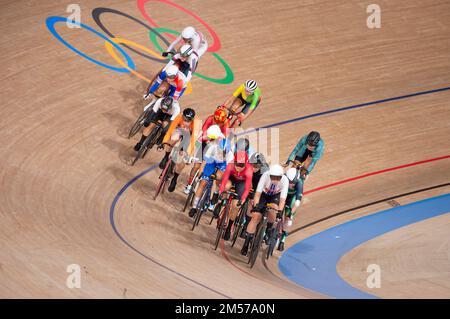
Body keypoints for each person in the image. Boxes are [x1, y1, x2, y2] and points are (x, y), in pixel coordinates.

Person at [240, 164, 289, 256]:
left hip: (275, 196)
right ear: (269, 175)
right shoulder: (265, 175)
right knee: (255, 217)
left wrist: (280, 211)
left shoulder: (285, 180)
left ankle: (268, 229)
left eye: (277, 178)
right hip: (263, 194)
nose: (275, 180)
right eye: (273, 177)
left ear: (281, 177)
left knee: (273, 210)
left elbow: (282, 199)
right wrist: (256, 206)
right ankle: (246, 244)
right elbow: (257, 194)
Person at [188, 125, 234, 218]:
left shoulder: (229, 153)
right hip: (211, 162)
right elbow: (204, 162)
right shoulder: (212, 146)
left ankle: (216, 193)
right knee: (202, 183)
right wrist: (201, 173)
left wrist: (222, 184)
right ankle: (194, 207)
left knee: (219, 176)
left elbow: (229, 169)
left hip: (222, 164)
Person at [184, 107, 231, 195]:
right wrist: (191, 154)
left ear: (224, 121)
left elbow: (225, 140)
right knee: (196, 165)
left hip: (216, 144)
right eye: (216, 121)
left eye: (220, 122)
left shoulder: (226, 124)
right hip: (206, 140)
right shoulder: (210, 119)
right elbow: (199, 139)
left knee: (208, 165)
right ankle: (189, 184)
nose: (217, 123)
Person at [158, 108, 199, 193]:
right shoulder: (179, 117)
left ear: (192, 119)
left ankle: (175, 178)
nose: (186, 121)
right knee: (172, 139)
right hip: (179, 131)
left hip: (189, 137)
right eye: (184, 119)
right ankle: (166, 157)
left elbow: (193, 140)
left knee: (182, 160)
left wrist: (187, 153)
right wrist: (165, 142)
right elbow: (169, 132)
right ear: (182, 116)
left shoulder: (197, 123)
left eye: (188, 120)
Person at [218, 151, 254, 241]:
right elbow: (224, 180)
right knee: (226, 186)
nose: (238, 167)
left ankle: (229, 227)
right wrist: (221, 192)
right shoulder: (230, 165)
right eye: (237, 164)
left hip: (242, 183)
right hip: (231, 178)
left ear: (246, 163)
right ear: (234, 161)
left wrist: (243, 199)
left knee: (235, 206)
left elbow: (247, 188)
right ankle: (221, 203)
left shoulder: (249, 170)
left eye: (241, 165)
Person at [239, 152, 269, 238]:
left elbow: (264, 186)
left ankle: (246, 225)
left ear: (261, 166)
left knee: (251, 202)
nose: (254, 168)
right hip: (250, 181)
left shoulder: (265, 170)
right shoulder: (247, 165)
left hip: (260, 185)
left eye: (256, 167)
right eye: (252, 165)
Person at [278, 167, 304, 251]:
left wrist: (290, 213)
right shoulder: (282, 178)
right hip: (282, 195)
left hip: (291, 199)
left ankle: (282, 239)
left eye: (293, 183)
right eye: (289, 182)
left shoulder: (299, 183)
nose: (291, 184)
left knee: (288, 221)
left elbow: (297, 202)